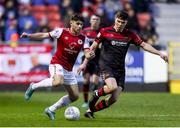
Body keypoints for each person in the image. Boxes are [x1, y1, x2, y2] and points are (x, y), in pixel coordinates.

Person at [78, 10, 168, 118]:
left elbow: (144, 45)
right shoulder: (104, 31)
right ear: (115, 19)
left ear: (126, 23)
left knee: (113, 99)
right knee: (112, 87)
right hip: (106, 65)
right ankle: (96, 94)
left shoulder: (130, 34)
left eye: (123, 22)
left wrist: (159, 53)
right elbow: (92, 48)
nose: (120, 24)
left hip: (120, 69)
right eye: (118, 21)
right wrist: (84, 63)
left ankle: (90, 111)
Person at [20, 14, 95, 120]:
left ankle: (50, 109)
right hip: (57, 63)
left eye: (81, 24)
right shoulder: (61, 32)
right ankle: (33, 86)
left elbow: (87, 52)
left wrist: (89, 55)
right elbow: (44, 35)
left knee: (74, 96)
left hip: (68, 69)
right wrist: (29, 35)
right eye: (77, 24)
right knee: (57, 82)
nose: (79, 26)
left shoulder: (84, 38)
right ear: (71, 23)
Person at [80, 14, 101, 108]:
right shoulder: (84, 31)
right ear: (90, 20)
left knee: (95, 81)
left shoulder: (102, 32)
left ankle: (92, 101)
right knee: (86, 80)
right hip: (87, 59)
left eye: (97, 19)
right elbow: (80, 43)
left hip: (98, 59)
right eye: (93, 19)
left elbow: (104, 45)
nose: (95, 21)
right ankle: (85, 102)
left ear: (99, 21)